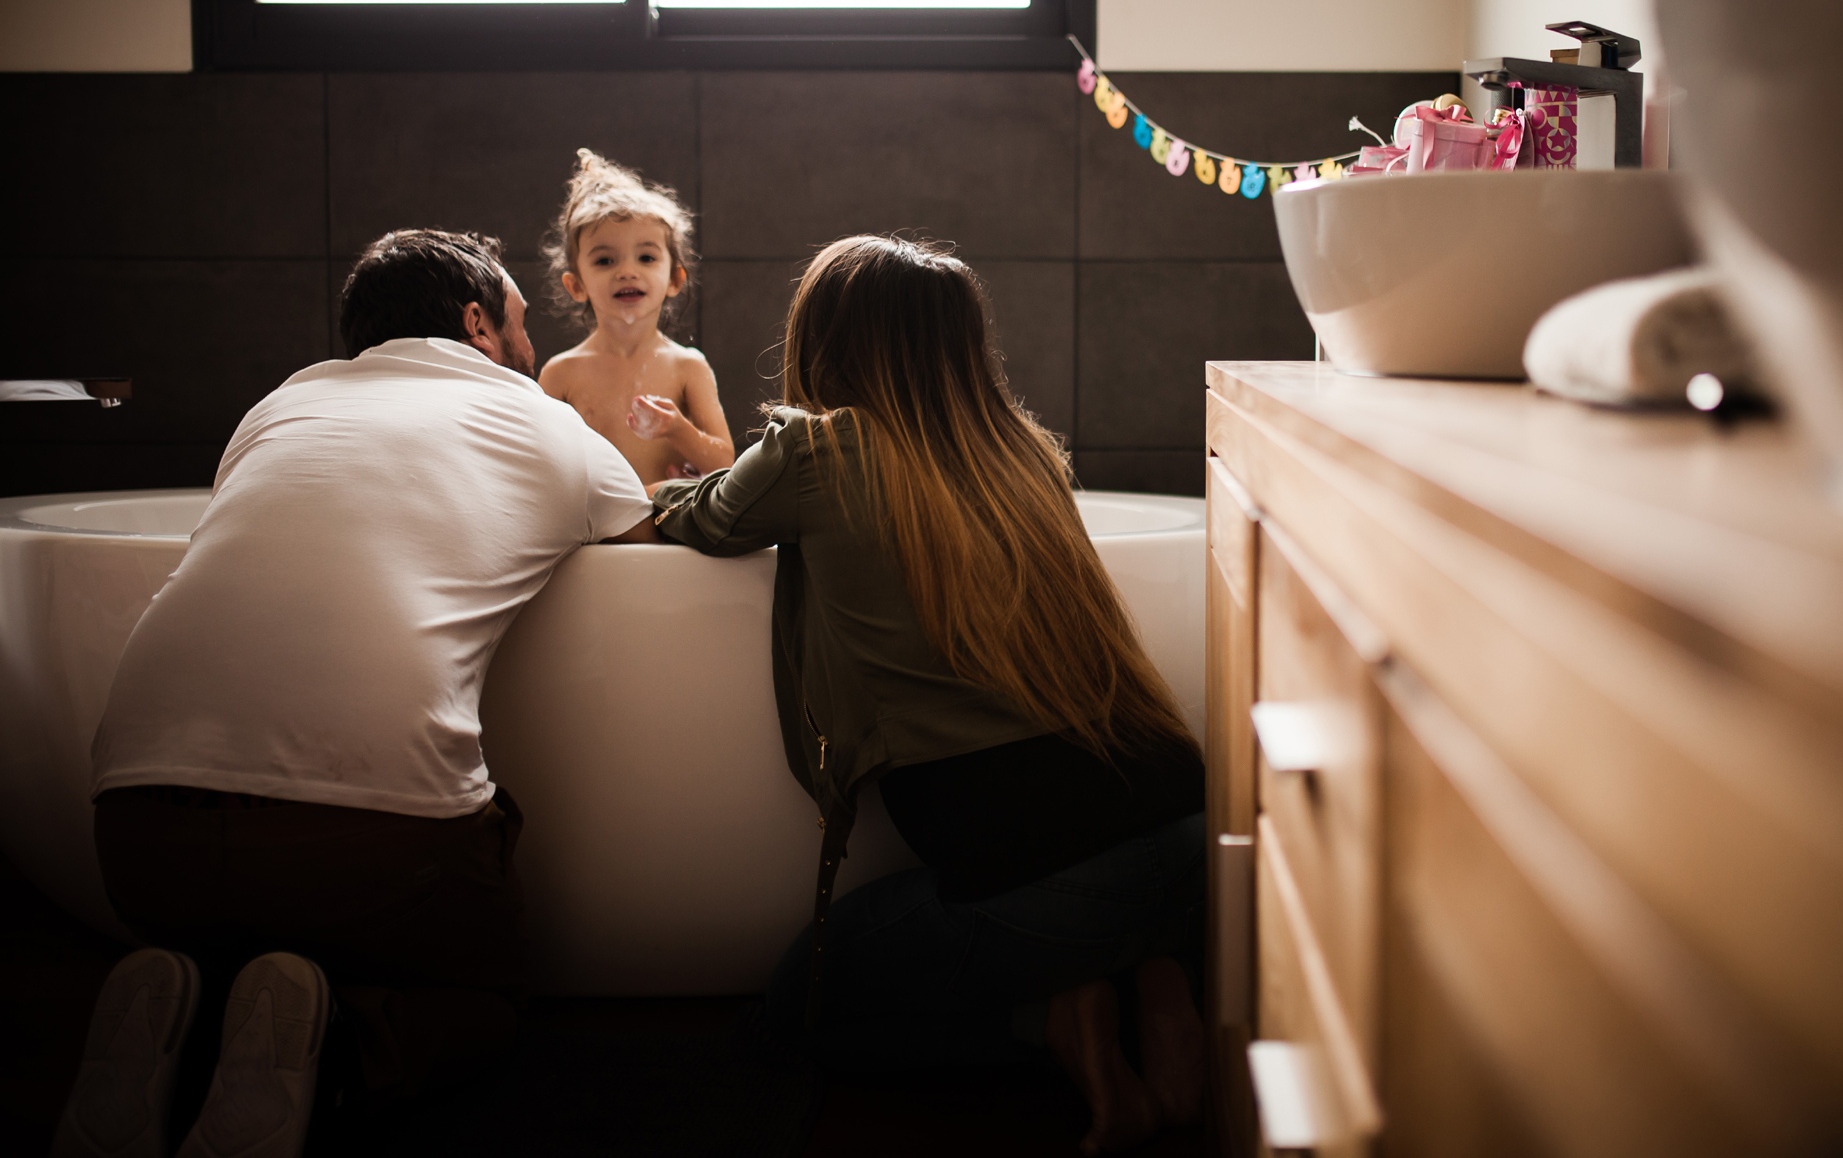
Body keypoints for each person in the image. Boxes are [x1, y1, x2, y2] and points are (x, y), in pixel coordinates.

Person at [53, 230, 654, 1158]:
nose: (533, 352)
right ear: (477, 324)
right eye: (524, 326)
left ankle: (188, 1018)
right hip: (364, 846)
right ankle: (339, 1049)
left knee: (241, 921)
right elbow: (653, 549)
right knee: (485, 998)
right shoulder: (537, 419)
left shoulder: (282, 404)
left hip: (136, 836)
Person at [651, 236, 1208, 1154]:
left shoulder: (816, 449)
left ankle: (1062, 1027)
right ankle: (1150, 987)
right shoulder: (1020, 452)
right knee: (1086, 896)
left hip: (1039, 859)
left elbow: (705, 517)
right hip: (1180, 817)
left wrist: (663, 485)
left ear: (824, 339)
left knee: (797, 1011)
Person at [539, 148, 734, 482]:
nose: (627, 271)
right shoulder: (561, 374)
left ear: (675, 279)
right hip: (594, 531)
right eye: (605, 261)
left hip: (666, 527)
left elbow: (725, 464)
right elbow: (538, 464)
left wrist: (678, 429)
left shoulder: (687, 367)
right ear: (576, 285)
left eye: (646, 258)